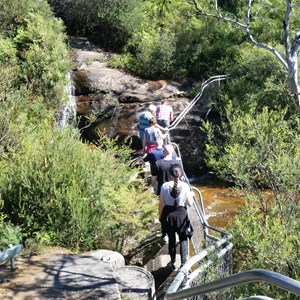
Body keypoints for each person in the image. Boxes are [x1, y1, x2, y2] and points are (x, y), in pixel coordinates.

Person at [158, 164, 194, 270]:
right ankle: (183, 263)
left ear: (170, 174)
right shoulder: (185, 186)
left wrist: (160, 217)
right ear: (181, 174)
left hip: (168, 215)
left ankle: (173, 263)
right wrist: (191, 195)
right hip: (181, 215)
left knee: (171, 239)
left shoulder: (164, 186)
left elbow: (161, 204)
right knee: (183, 238)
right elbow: (190, 203)